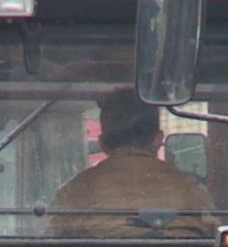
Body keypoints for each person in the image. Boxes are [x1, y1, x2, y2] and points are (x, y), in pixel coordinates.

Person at [49, 88, 215, 237]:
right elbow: (216, 241)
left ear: (103, 144)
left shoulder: (73, 193)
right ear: (158, 140)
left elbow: (48, 244)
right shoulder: (192, 191)